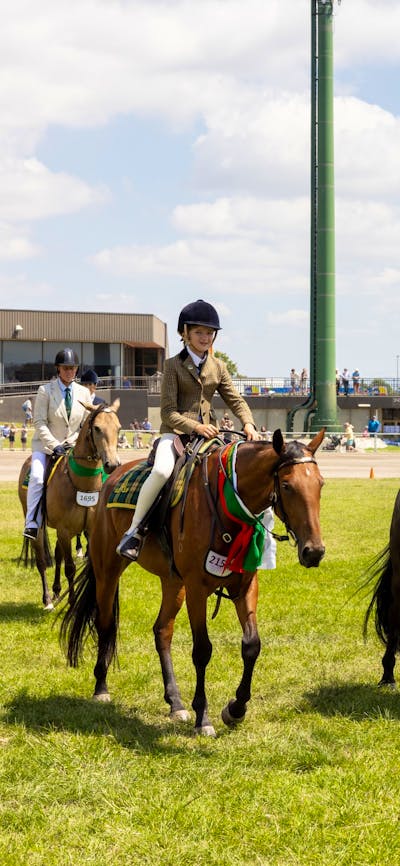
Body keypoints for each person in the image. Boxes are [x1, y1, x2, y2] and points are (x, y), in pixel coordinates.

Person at [116, 299, 259, 561]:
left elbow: (235, 400)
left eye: (209, 333)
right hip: (176, 434)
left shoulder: (219, 367)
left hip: (211, 436)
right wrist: (196, 426)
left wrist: (247, 422)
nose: (205, 338)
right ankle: (134, 530)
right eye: (199, 332)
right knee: (160, 471)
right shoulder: (172, 366)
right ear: (185, 334)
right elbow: (168, 412)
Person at [23, 348, 89, 540]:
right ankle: (32, 522)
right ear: (58, 369)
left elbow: (85, 425)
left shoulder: (84, 393)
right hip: (45, 447)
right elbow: (39, 422)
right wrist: (54, 445)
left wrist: (73, 442)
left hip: (72, 448)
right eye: (66, 368)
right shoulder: (45, 391)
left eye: (73, 368)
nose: (70, 371)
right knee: (36, 477)